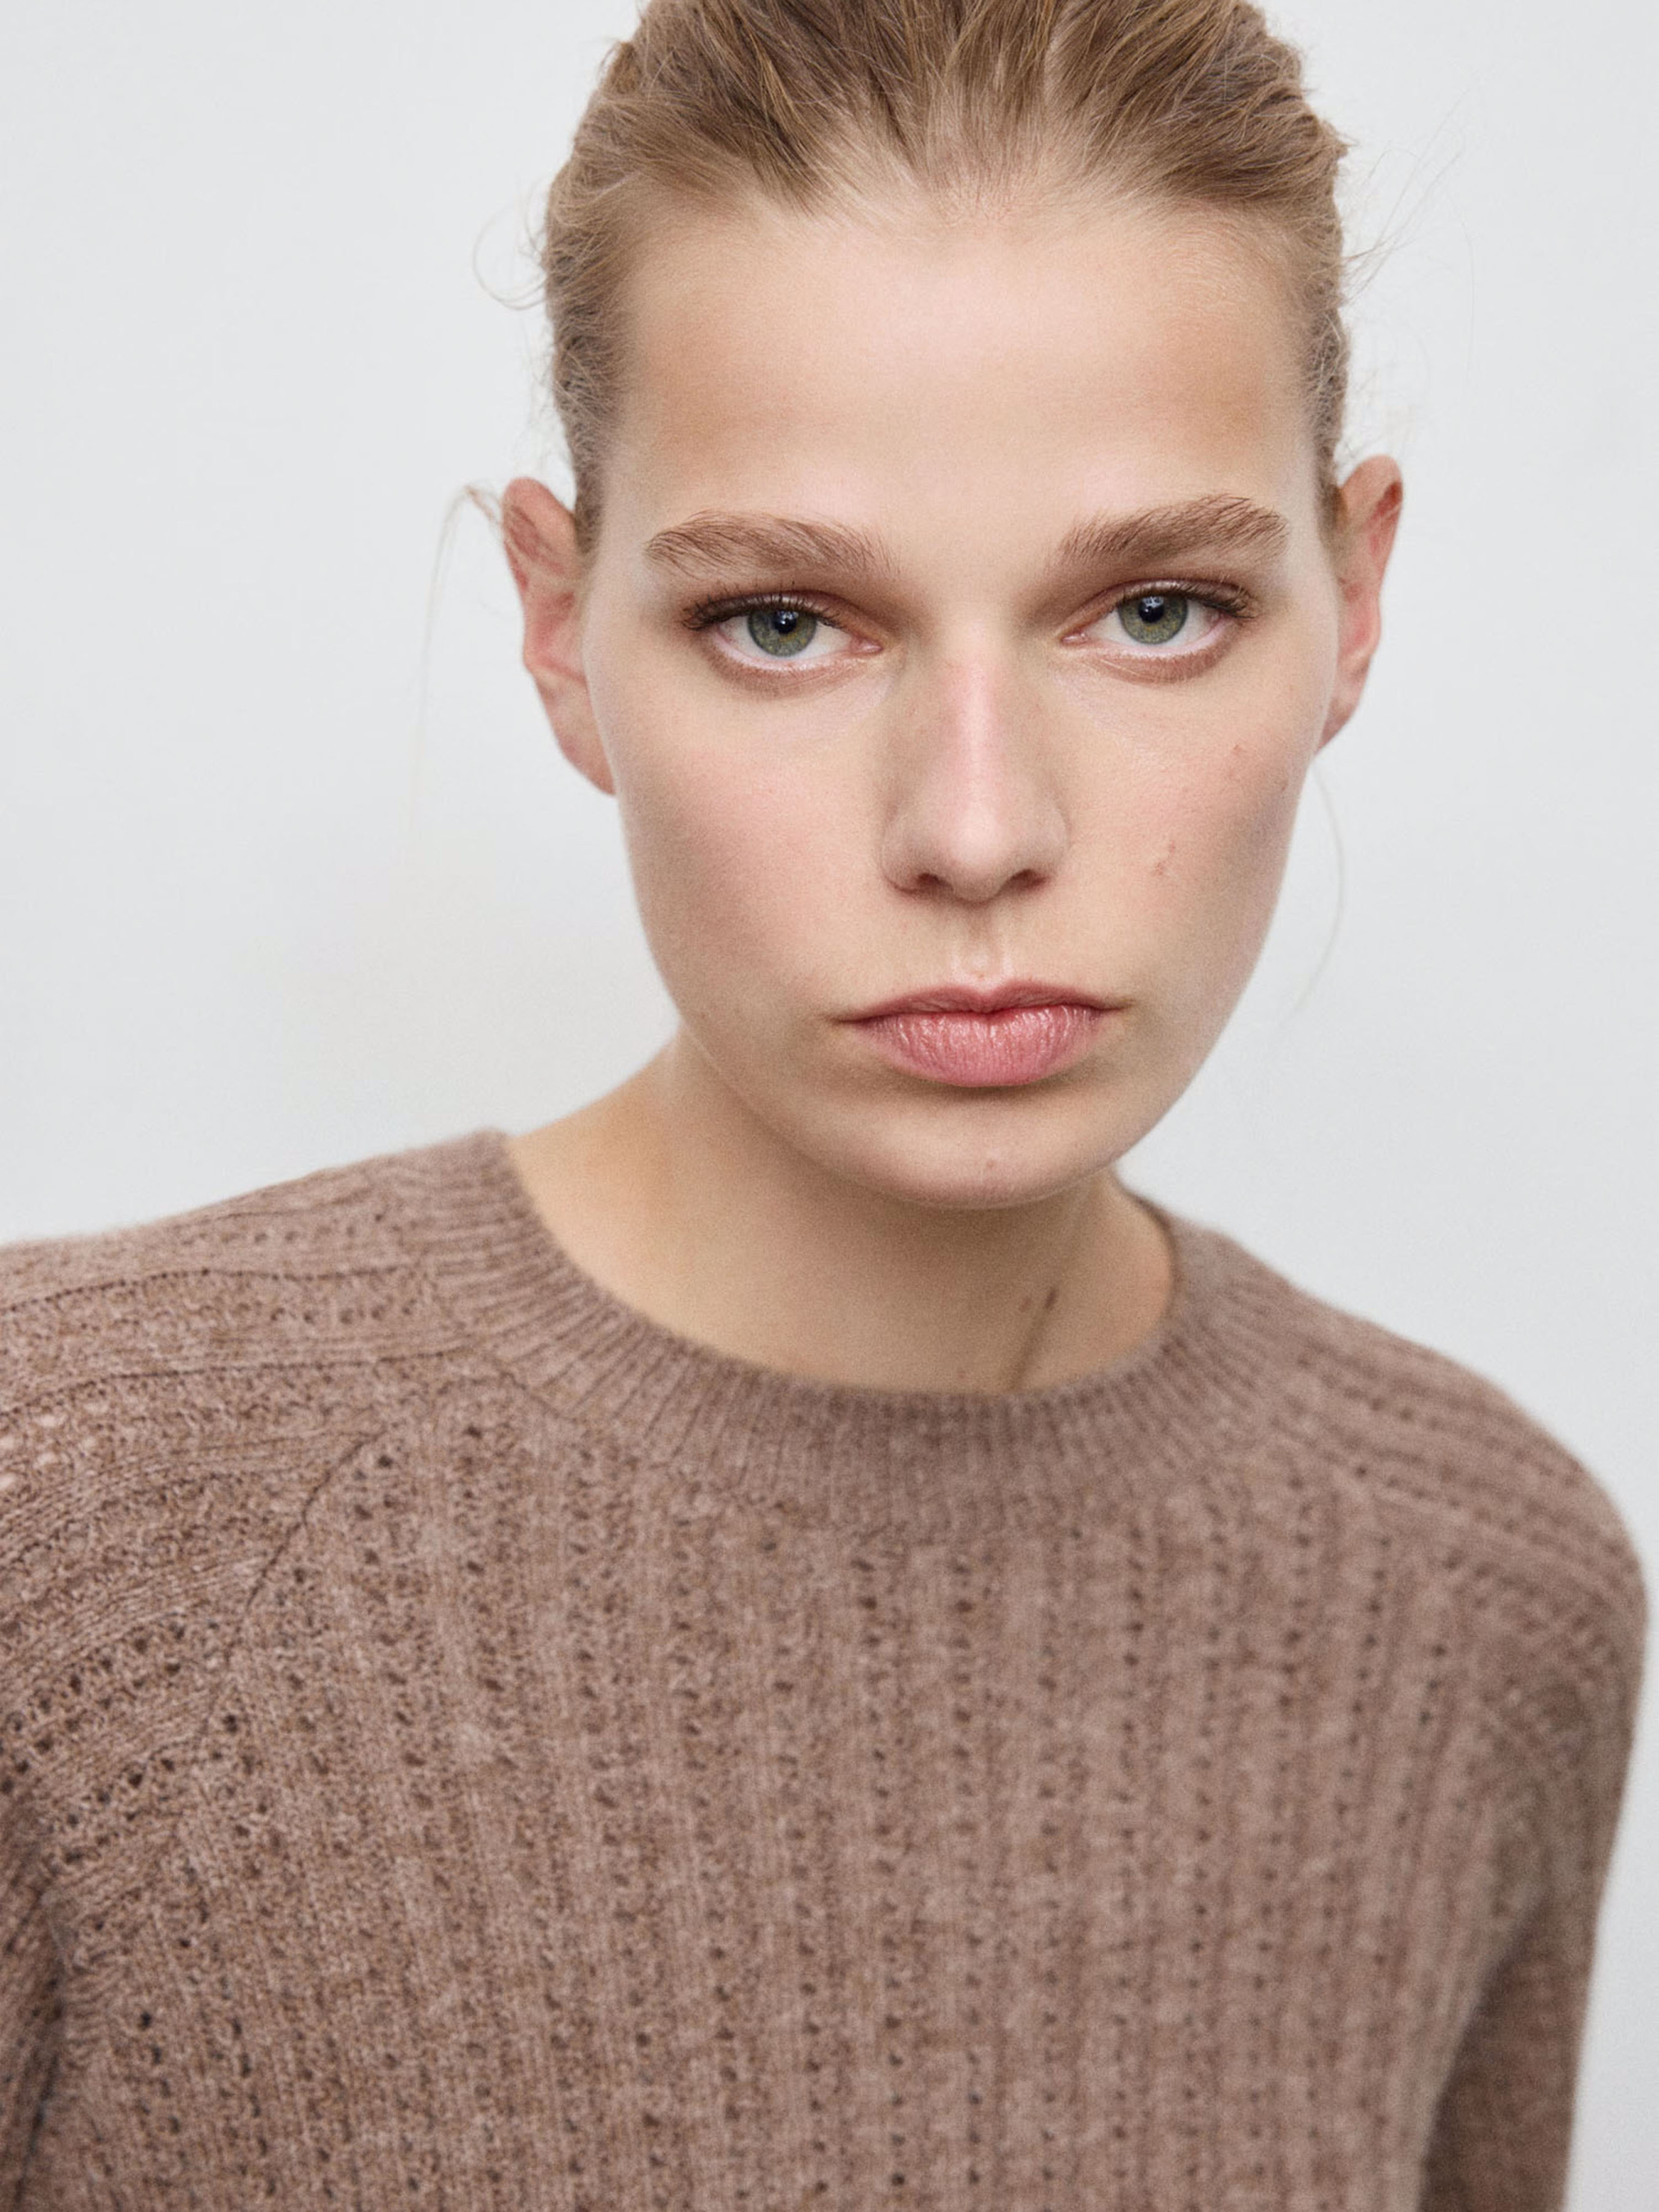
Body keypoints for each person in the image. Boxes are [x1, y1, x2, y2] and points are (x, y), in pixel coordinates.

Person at [0, 1, 1643, 2205]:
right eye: (785, 622)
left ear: (1350, 604)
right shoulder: (68, 1531)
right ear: (562, 631)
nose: (974, 829)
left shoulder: (1486, 1595)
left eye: (1154, 610)